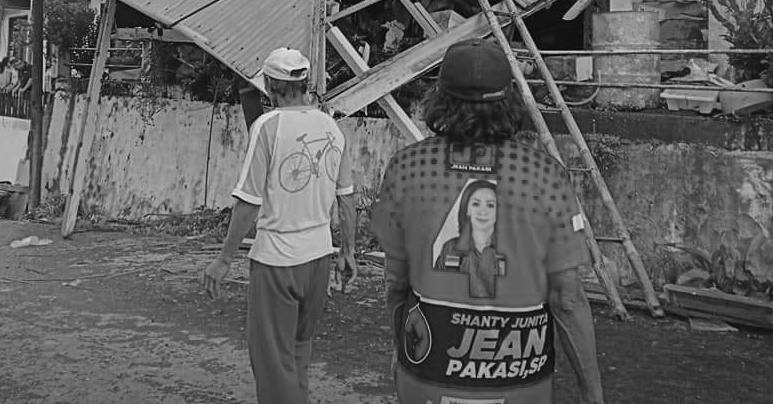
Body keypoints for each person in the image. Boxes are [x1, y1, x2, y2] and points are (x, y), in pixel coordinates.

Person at [371, 39, 604, 404]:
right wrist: (593, 396)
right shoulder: (545, 175)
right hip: (520, 383)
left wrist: (400, 346)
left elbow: (395, 284)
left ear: (440, 98)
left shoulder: (407, 167)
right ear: (510, 99)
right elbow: (568, 299)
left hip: (427, 375)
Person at [203, 47, 357, 404]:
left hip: (277, 262)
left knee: (273, 361)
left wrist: (224, 259)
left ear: (270, 85)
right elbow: (346, 197)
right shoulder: (332, 127)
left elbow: (249, 202)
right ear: (305, 84)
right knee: (298, 352)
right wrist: (347, 252)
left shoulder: (268, 126)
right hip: (319, 259)